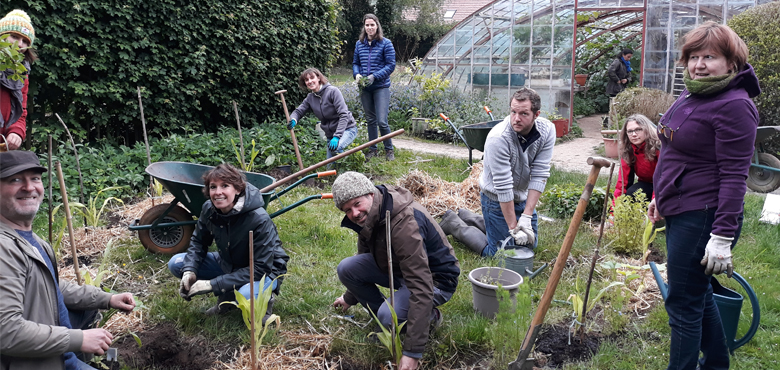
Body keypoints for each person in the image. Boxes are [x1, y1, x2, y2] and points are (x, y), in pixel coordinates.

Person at [648, 22, 759, 370]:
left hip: (704, 216)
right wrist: (658, 196)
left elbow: (734, 176)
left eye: (709, 57)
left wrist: (722, 236)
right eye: (693, 57)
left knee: (682, 303)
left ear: (731, 62)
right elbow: (671, 148)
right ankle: (716, 364)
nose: (698, 65)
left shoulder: (735, 106)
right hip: (680, 206)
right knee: (697, 292)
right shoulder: (694, 92)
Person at [0, 150, 136, 370]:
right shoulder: (4, 249)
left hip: (61, 358)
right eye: (14, 180)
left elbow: (49, 287)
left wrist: (106, 298)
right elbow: (5, 331)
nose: (29, 187)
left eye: (35, 178)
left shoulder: (31, 240)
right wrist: (79, 339)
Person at [330, 171, 460, 370]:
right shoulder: (372, 214)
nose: (354, 214)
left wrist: (412, 353)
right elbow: (365, 255)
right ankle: (388, 322)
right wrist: (350, 297)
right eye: (347, 210)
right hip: (399, 270)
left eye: (357, 204)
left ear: (370, 194)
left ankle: (429, 317)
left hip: (435, 280)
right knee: (347, 268)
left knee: (388, 315)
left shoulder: (404, 224)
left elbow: (421, 285)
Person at [439, 88, 555, 257]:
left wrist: (527, 217)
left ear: (536, 115)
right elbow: (504, 187)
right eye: (513, 111)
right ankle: (454, 223)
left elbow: (540, 173)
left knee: (530, 246)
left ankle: (470, 217)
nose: (516, 119)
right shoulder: (498, 138)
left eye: (524, 114)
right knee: (503, 254)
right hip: (495, 198)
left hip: (520, 196)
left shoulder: (547, 130)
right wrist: (513, 228)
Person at [168, 163, 289, 317]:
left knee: (246, 296)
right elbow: (199, 242)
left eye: (225, 186)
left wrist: (212, 284)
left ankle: (264, 302)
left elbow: (260, 269)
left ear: (238, 189)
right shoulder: (209, 209)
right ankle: (228, 297)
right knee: (177, 263)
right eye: (213, 187)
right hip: (230, 262)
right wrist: (189, 270)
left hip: (265, 271)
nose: (218, 192)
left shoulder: (258, 219)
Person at [287, 68, 358, 161]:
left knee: (336, 149)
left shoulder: (333, 91)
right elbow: (298, 111)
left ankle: (349, 168)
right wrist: (293, 119)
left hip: (347, 129)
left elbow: (344, 115)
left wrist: (337, 137)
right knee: (329, 169)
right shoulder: (310, 98)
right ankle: (340, 170)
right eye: (306, 80)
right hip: (330, 135)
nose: (310, 81)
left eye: (312, 78)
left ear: (319, 78)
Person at [353, 13, 396, 162]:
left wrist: (374, 76)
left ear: (377, 26)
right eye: (367, 25)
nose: (370, 27)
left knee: (382, 121)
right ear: (364, 27)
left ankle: (389, 150)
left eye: (372, 24)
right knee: (370, 119)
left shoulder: (386, 43)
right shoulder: (359, 44)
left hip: (380, 86)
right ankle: (373, 149)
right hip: (365, 88)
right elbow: (355, 63)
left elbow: (391, 65)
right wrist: (357, 74)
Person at [0, 10, 38, 151]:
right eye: (15, 37)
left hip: (2, 147)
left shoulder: (21, 74)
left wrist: (16, 131)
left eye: (25, 42)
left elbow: (20, 112)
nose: (20, 45)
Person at [613, 114, 660, 201]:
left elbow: (663, 178)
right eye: (630, 131)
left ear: (647, 130)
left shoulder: (659, 147)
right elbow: (622, 183)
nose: (634, 134)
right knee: (632, 193)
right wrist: (614, 211)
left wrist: (655, 204)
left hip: (668, 184)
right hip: (647, 184)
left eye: (638, 129)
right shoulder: (628, 150)